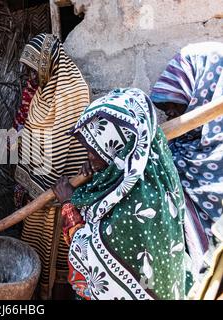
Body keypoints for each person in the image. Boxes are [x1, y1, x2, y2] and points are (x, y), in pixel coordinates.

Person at [52, 87, 191, 300]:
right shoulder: (147, 170)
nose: (88, 155)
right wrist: (98, 173)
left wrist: (69, 204)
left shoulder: (139, 204)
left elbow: (91, 256)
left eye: (96, 149)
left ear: (120, 150)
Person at [14, 33, 90, 299]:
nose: (29, 77)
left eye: (33, 70)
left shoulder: (72, 91)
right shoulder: (42, 92)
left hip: (60, 190)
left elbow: (60, 143)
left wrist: (44, 186)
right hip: (39, 191)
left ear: (48, 64)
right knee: (35, 244)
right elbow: (34, 136)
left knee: (57, 250)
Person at [150, 42, 223, 298]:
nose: (169, 114)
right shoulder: (177, 148)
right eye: (166, 107)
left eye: (178, 104)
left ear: (205, 93)